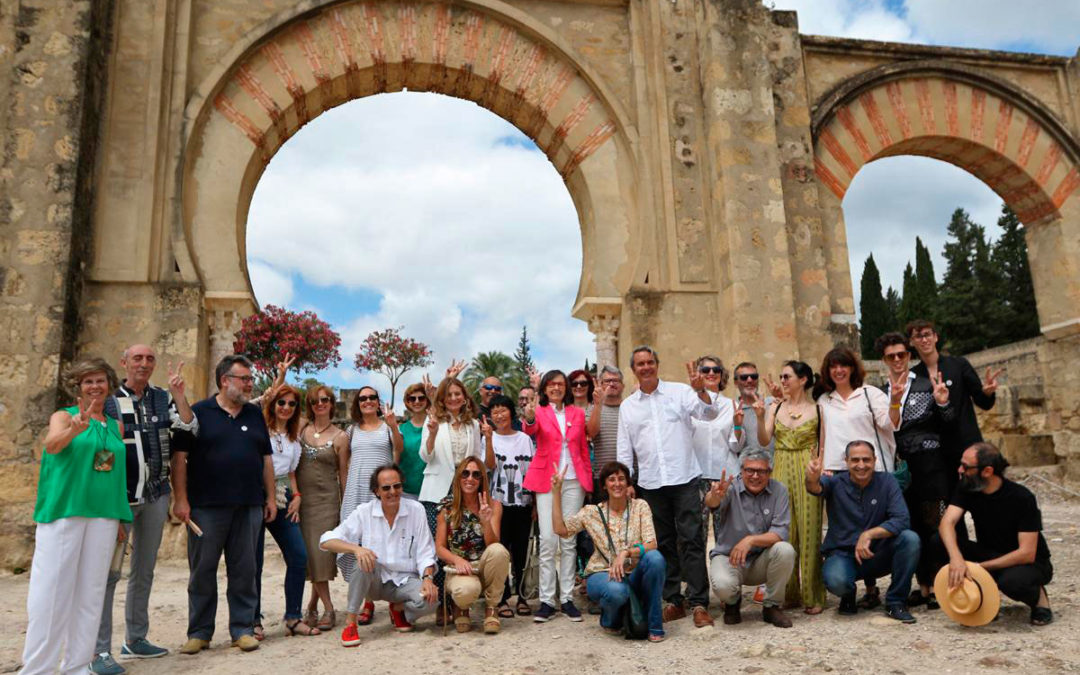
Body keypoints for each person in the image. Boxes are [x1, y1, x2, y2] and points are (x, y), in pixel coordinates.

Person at [21, 358, 132, 675]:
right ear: (78, 387)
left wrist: (121, 518)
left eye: (100, 380)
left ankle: (78, 667)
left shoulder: (114, 426)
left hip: (104, 517)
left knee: (92, 593)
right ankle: (37, 669)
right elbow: (52, 447)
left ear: (110, 385)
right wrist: (72, 430)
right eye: (88, 381)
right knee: (52, 593)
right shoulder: (63, 416)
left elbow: (115, 474)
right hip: (65, 513)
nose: (95, 386)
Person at [91, 346, 196, 675]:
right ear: (124, 363)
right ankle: (98, 651)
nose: (144, 364)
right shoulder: (109, 401)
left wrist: (179, 395)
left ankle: (135, 638)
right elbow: (101, 456)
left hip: (155, 495)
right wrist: (110, 506)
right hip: (119, 500)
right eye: (137, 358)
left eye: (149, 359)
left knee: (144, 570)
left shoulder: (162, 397)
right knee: (108, 576)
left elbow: (188, 429)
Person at [171, 354, 276, 654]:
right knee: (202, 570)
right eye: (244, 379)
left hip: (248, 505)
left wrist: (269, 497)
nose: (249, 384)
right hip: (205, 506)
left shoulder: (254, 415)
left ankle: (242, 628)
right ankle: (200, 632)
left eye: (250, 379)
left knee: (245, 569)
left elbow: (265, 459)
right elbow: (180, 458)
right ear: (224, 381)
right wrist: (181, 499)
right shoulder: (198, 412)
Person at [616, 346, 718, 627]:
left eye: (650, 362)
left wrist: (700, 391)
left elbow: (707, 414)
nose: (646, 367)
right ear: (633, 369)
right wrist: (626, 482)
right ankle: (674, 600)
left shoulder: (681, 392)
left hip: (684, 478)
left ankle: (699, 603)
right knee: (662, 545)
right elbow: (624, 449)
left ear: (657, 365)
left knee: (692, 541)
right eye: (640, 364)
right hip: (650, 484)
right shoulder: (628, 406)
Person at [876, 332, 955, 608]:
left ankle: (938, 585)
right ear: (884, 360)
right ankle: (921, 587)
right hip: (899, 467)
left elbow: (948, 421)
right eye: (891, 356)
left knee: (935, 525)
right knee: (908, 526)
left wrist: (943, 401)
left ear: (909, 356)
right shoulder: (878, 392)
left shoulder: (926, 384)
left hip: (930, 464)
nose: (897, 359)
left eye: (902, 354)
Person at [934, 442, 1053, 625]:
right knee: (937, 542)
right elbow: (947, 523)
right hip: (989, 552)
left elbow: (1026, 553)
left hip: (1028, 562)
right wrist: (956, 558)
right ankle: (981, 597)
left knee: (1012, 583)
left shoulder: (1022, 497)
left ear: (987, 471)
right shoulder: (967, 487)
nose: (959, 469)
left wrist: (979, 568)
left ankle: (1039, 599)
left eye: (966, 466)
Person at [320, 465, 439, 646]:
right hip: (374, 581)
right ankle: (351, 622)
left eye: (397, 486)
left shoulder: (416, 510)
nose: (393, 492)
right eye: (386, 488)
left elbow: (425, 551)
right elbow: (326, 540)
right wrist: (356, 549)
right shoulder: (364, 512)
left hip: (405, 581)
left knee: (432, 600)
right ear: (376, 491)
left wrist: (428, 579)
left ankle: (398, 609)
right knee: (365, 561)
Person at [551, 461, 666, 642]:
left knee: (655, 559)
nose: (617, 483)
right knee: (617, 591)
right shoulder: (592, 512)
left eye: (621, 479)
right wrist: (556, 492)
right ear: (604, 485)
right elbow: (561, 530)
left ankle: (654, 626)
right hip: (602, 573)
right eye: (611, 480)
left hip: (633, 573)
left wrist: (626, 553)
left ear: (628, 483)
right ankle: (610, 620)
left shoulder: (640, 506)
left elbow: (652, 544)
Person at [806, 440, 919, 623]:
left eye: (866, 460)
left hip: (877, 553)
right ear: (846, 461)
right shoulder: (835, 482)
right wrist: (811, 476)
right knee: (837, 581)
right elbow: (814, 487)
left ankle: (896, 602)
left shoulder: (887, 481)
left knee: (910, 539)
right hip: (843, 555)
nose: (861, 465)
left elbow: (902, 519)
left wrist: (869, 534)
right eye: (855, 460)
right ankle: (848, 594)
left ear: (875, 460)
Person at [753, 360, 825, 614]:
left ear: (803, 379)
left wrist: (818, 473)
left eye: (787, 376)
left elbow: (823, 443)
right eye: (782, 377)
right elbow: (764, 440)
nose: (783, 381)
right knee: (785, 530)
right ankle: (789, 592)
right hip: (781, 466)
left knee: (810, 530)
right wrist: (761, 417)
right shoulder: (776, 407)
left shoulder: (818, 410)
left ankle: (813, 594)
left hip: (808, 467)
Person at [521, 369, 593, 622]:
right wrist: (529, 419)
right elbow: (530, 430)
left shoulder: (578, 413)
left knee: (569, 540)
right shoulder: (539, 411)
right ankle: (546, 600)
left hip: (573, 480)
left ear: (567, 388)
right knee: (549, 540)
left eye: (560, 384)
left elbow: (583, 449)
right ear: (544, 388)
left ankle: (567, 599)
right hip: (547, 479)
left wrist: (587, 479)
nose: (556, 388)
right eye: (551, 384)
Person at [419, 376, 488, 622]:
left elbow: (477, 459)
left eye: (458, 394)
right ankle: (442, 603)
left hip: (464, 487)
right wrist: (432, 433)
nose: (453, 398)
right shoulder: (434, 420)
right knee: (438, 547)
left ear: (465, 397)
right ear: (442, 398)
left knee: (463, 543)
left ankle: (462, 603)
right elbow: (425, 456)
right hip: (437, 488)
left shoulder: (473, 425)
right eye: (448, 395)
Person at [252, 384, 318, 638]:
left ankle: (293, 616)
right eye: (282, 403)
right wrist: (278, 379)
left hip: (283, 495)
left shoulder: (293, 438)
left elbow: (290, 473)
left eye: (291, 404)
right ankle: (253, 620)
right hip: (256, 493)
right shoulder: (260, 429)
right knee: (254, 561)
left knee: (298, 556)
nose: (286, 408)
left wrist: (297, 495)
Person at [706, 451, 795, 628]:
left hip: (761, 561)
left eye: (761, 471)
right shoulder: (730, 488)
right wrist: (714, 496)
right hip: (729, 558)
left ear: (770, 472)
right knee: (723, 585)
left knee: (785, 550)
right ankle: (732, 603)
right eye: (750, 470)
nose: (755, 476)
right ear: (741, 470)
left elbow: (779, 533)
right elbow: (712, 503)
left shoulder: (780, 490)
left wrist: (750, 540)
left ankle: (772, 606)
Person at [338, 386, 403, 624]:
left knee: (384, 543)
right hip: (356, 495)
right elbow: (344, 467)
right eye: (363, 398)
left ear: (378, 401)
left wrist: (394, 425)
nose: (367, 401)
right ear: (358, 403)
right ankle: (367, 601)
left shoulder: (387, 428)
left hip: (381, 495)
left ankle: (393, 599)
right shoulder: (351, 431)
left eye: (372, 397)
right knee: (360, 546)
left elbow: (399, 449)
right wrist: (346, 493)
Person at [907, 319, 1001, 480]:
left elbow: (984, 403)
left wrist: (987, 393)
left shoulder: (958, 365)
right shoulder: (913, 376)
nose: (924, 340)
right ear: (911, 342)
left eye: (927, 334)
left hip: (967, 442)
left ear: (935, 337)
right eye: (918, 336)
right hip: (937, 449)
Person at [436, 457, 511, 633]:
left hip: (484, 566)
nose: (470, 479)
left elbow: (493, 544)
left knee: (499, 551)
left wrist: (485, 521)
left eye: (476, 475)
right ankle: (461, 607)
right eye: (465, 473)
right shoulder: (446, 506)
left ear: (482, 479)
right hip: (460, 569)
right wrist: (456, 560)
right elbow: (439, 547)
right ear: (458, 477)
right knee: (466, 591)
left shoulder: (493, 505)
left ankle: (492, 608)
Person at [296, 384, 347, 631]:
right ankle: (313, 606)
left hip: (327, 503)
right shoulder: (301, 428)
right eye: (315, 401)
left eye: (325, 399)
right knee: (309, 556)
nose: (320, 404)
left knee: (321, 556)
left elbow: (344, 475)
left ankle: (327, 608)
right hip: (302, 502)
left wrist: (346, 508)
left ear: (331, 403)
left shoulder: (340, 436)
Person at [484, 394, 535, 616]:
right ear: (490, 416)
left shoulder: (524, 438)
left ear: (510, 412)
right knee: (501, 549)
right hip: (498, 502)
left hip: (523, 501)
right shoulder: (489, 437)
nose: (499, 414)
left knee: (522, 550)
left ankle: (522, 596)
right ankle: (502, 598)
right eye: (494, 411)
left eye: (503, 409)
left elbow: (532, 470)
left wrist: (534, 503)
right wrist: (487, 440)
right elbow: (487, 465)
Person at [816, 346, 899, 473]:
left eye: (843, 366)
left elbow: (889, 424)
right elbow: (822, 437)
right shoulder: (824, 400)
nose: (838, 370)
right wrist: (821, 465)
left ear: (852, 368)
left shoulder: (870, 394)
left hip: (871, 467)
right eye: (833, 367)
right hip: (837, 470)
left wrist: (895, 402)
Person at [691, 355, 744, 549]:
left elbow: (735, 446)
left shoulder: (731, 405)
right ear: (698, 374)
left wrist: (738, 427)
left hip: (726, 476)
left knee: (726, 536)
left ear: (722, 376)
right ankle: (699, 580)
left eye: (716, 370)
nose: (711, 373)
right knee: (698, 536)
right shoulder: (688, 403)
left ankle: (726, 578)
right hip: (696, 476)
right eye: (705, 370)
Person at [586, 365, 624, 479]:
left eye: (616, 381)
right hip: (602, 476)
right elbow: (591, 433)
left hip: (631, 476)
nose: (612, 384)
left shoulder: (631, 408)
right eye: (607, 381)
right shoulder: (591, 410)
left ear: (623, 385)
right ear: (601, 384)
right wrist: (598, 405)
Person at [733, 362, 775, 459]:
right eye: (744, 377)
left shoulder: (771, 403)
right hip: (748, 470)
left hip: (774, 467)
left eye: (754, 376)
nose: (749, 380)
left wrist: (780, 397)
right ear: (735, 382)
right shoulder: (733, 409)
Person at [398, 382, 430, 500]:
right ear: (408, 402)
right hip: (406, 491)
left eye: (421, 398)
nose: (417, 401)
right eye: (412, 398)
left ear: (427, 400)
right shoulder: (401, 429)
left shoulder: (437, 427)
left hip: (431, 489)